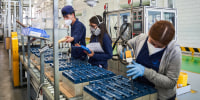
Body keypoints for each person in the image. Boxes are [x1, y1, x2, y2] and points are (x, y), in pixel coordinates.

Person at [120, 20, 181, 100]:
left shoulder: (174, 52)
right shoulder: (140, 39)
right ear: (149, 33)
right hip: (139, 92)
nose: (155, 47)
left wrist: (145, 71)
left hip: (160, 97)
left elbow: (171, 82)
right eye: (152, 42)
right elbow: (123, 46)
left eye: (159, 46)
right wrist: (122, 51)